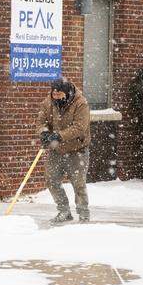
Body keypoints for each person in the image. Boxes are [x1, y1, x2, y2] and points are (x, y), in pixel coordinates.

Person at [36, 78, 92, 224]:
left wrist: (59, 135)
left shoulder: (81, 103)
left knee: (78, 183)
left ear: (67, 92)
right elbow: (41, 122)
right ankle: (64, 211)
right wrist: (44, 133)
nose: (55, 97)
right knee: (51, 180)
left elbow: (80, 128)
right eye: (53, 94)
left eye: (59, 94)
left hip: (77, 149)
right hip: (57, 149)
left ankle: (83, 214)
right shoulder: (48, 102)